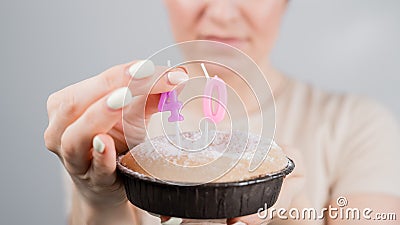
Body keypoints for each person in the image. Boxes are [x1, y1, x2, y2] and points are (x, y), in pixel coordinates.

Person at [44, 1, 400, 224]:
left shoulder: (359, 128)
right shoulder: (113, 132)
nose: (221, 11)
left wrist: (293, 215)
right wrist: (100, 201)